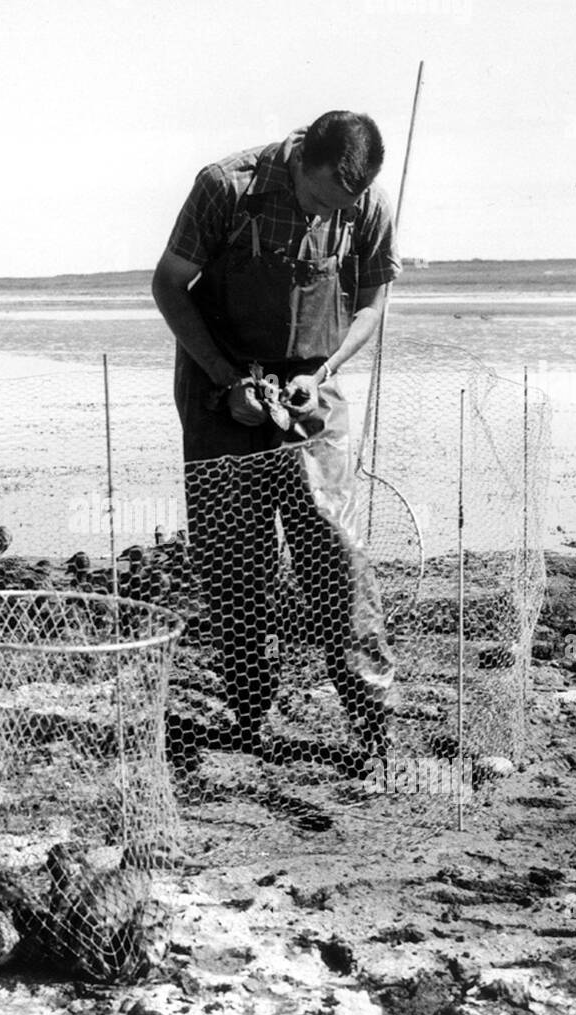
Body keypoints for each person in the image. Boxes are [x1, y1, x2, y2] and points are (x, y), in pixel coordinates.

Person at [151, 111, 398, 772]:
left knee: (337, 551)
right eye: (320, 200)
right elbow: (168, 285)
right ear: (302, 161)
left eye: (342, 206)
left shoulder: (367, 205)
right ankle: (248, 714)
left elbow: (372, 303)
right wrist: (228, 383)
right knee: (235, 561)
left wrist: (324, 371)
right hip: (221, 388)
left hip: (313, 388)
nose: (330, 213)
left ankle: (372, 722)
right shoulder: (224, 186)